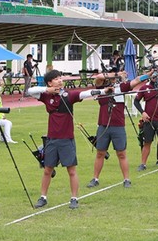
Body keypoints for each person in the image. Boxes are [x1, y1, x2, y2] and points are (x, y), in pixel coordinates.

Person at [27, 69, 113, 210]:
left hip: (67, 139)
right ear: (49, 82)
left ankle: (74, 198)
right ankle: (43, 197)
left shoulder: (69, 95)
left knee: (71, 170)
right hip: (52, 139)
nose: (60, 80)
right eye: (56, 79)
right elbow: (30, 90)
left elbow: (85, 93)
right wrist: (48, 90)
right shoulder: (45, 95)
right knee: (48, 170)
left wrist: (103, 91)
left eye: (61, 78)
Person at [86, 70, 151, 189]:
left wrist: (148, 75)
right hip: (103, 125)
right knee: (100, 153)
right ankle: (95, 179)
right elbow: (99, 76)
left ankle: (126, 179)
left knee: (121, 153)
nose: (114, 79)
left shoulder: (121, 87)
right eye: (112, 76)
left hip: (118, 126)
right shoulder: (101, 87)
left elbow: (136, 81)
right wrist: (117, 74)